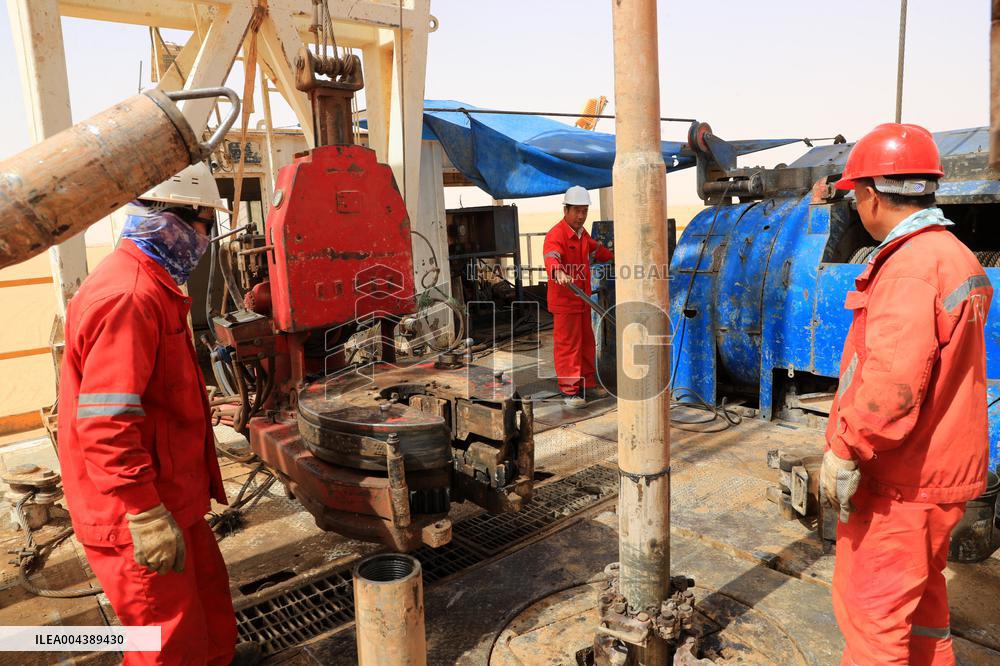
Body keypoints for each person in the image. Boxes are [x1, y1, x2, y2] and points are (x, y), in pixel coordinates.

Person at [57, 163, 254, 664]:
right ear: (169, 219)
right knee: (164, 643)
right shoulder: (130, 296)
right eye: (204, 226)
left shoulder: (152, 284)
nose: (206, 239)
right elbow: (106, 422)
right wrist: (144, 514)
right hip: (139, 510)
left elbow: (147, 391)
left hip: (174, 496)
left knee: (208, 605)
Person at [821, 123, 991, 666]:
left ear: (870, 194)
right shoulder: (953, 254)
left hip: (903, 482)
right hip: (942, 475)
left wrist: (845, 448)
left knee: (872, 619)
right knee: (922, 609)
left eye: (855, 197)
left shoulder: (909, 268)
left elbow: (890, 392)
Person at [542, 186, 614, 408]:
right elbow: (551, 257)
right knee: (568, 346)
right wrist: (558, 272)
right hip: (565, 302)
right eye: (577, 211)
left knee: (586, 344)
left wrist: (615, 258)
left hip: (582, 300)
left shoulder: (583, 236)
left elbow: (597, 250)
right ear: (566, 210)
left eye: (584, 211)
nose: (581, 216)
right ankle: (570, 390)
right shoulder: (557, 235)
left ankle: (588, 385)